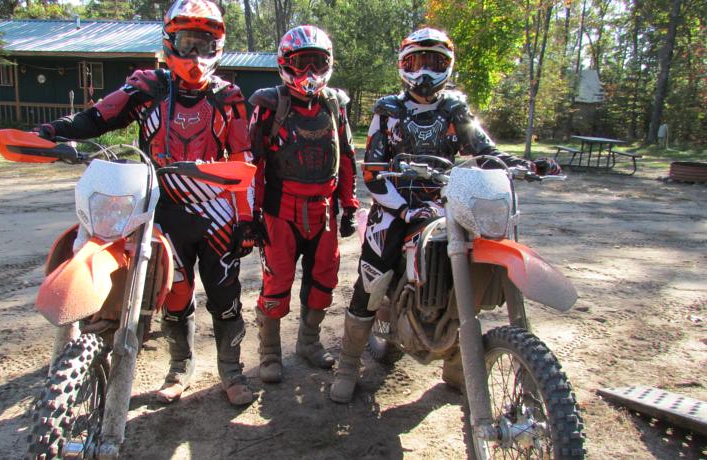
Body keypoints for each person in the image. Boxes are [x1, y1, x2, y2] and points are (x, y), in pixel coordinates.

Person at [36, 0, 259, 406]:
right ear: (170, 41)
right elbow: (97, 117)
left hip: (218, 212)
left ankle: (232, 372)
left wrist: (247, 217)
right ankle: (180, 367)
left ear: (219, 46)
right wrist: (52, 132)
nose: (195, 54)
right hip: (161, 209)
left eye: (205, 44)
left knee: (225, 297)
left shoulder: (230, 95)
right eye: (187, 42)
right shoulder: (146, 86)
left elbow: (244, 158)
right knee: (175, 295)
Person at [329, 27, 560, 403]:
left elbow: (485, 151)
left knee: (465, 273)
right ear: (403, 66)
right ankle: (348, 364)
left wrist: (525, 165)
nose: (424, 72)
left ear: (447, 67)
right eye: (416, 62)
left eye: (434, 62)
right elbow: (371, 169)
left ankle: (457, 362)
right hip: (395, 205)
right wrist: (402, 206)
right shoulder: (388, 109)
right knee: (372, 278)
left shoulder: (455, 108)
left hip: (447, 204)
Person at [247, 25, 359, 383]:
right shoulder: (269, 105)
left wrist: (350, 205)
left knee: (324, 279)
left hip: (324, 210)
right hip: (281, 212)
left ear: (328, 64)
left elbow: (347, 158)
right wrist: (252, 215)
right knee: (276, 282)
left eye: (317, 63)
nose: (309, 73)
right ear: (285, 63)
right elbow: (255, 165)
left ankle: (308, 343)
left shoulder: (335, 105)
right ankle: (269, 353)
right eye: (301, 63)